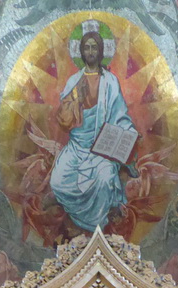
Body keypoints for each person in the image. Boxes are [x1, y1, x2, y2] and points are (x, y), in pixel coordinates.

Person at [50, 30, 138, 234]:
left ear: (101, 52)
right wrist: (75, 100)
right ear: (81, 52)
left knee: (106, 179)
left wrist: (129, 135)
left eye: (94, 47)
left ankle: (97, 229)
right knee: (57, 182)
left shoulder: (111, 82)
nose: (90, 51)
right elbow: (63, 119)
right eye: (87, 47)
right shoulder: (74, 82)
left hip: (102, 148)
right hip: (77, 147)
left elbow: (120, 115)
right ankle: (83, 226)